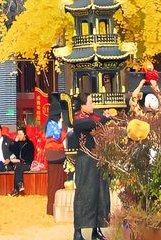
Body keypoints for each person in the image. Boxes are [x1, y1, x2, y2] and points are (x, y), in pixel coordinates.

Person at [71, 93, 110, 240]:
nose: (93, 105)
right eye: (90, 102)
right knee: (84, 194)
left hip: (98, 160)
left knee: (100, 193)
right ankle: (78, 231)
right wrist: (105, 118)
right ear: (82, 105)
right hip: (85, 161)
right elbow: (93, 124)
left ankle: (96, 229)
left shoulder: (94, 117)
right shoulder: (78, 120)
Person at [44, 100, 66, 216]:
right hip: (55, 154)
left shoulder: (49, 123)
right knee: (56, 182)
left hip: (52, 154)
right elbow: (58, 136)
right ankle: (53, 208)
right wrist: (64, 129)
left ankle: (51, 207)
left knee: (54, 182)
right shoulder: (52, 124)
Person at [8, 126, 34, 195]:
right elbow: (10, 149)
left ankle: (17, 188)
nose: (18, 136)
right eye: (18, 134)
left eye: (20, 134)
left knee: (19, 167)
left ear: (24, 135)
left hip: (27, 163)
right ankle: (19, 186)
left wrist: (19, 161)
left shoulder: (29, 144)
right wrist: (15, 142)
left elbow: (30, 157)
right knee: (16, 167)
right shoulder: (17, 143)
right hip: (17, 163)